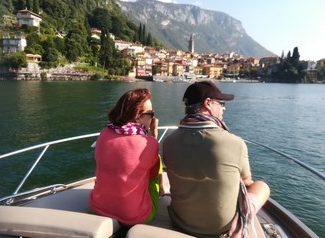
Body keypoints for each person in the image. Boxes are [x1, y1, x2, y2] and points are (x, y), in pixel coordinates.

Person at [163, 81, 270, 238]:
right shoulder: (234, 143)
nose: (224, 108)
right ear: (208, 103)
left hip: (180, 221)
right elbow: (247, 183)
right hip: (220, 229)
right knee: (262, 186)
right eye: (221, 103)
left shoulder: (168, 141)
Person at [89, 88, 164, 226]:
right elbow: (153, 172)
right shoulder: (149, 143)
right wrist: (153, 136)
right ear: (137, 116)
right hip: (135, 216)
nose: (153, 117)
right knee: (154, 174)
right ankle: (160, 194)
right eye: (151, 113)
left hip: (97, 207)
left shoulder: (104, 133)